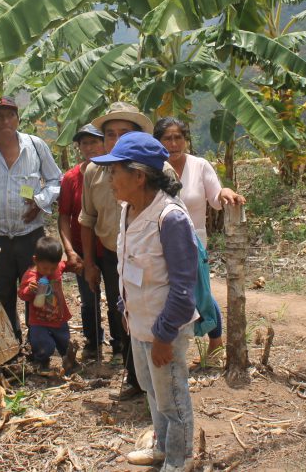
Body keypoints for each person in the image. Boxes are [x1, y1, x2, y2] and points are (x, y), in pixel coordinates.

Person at [90, 132, 198, 472]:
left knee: (173, 397)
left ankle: (180, 461)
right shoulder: (127, 210)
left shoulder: (171, 218)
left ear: (139, 176)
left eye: (115, 171)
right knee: (153, 391)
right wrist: (125, 311)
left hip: (164, 326)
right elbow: (127, 265)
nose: (109, 179)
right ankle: (163, 448)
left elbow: (183, 287)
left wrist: (164, 335)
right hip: (138, 322)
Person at [0, 97, 62, 342]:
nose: (5, 121)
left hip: (30, 234)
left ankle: (39, 341)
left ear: (18, 119)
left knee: (39, 289)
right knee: (3, 293)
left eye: (10, 115)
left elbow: (55, 180)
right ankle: (11, 341)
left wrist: (40, 201)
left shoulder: (36, 146)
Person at [79, 101, 154, 398]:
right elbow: (87, 219)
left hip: (151, 257)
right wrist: (88, 262)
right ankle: (135, 379)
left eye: (125, 132)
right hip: (113, 256)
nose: (116, 139)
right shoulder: (94, 172)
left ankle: (160, 379)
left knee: (154, 312)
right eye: (110, 134)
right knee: (123, 314)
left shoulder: (155, 170)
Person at [153, 116, 243, 360]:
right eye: (167, 139)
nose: (173, 144)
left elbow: (215, 198)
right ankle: (171, 344)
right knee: (168, 293)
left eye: (178, 138)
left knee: (199, 293)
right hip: (162, 242)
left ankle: (216, 342)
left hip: (195, 244)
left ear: (185, 139)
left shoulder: (199, 165)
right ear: (158, 142)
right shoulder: (155, 168)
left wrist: (225, 192)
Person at [58, 123, 106, 358]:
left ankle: (120, 344)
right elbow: (64, 215)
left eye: (95, 141)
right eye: (85, 143)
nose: (90, 147)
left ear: (104, 143)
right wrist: (70, 251)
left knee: (119, 297)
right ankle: (93, 342)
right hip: (82, 246)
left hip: (109, 246)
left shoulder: (114, 171)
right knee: (89, 298)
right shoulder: (71, 178)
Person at [17, 237, 74, 372]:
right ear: (35, 260)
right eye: (45, 268)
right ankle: (42, 361)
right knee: (43, 344)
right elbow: (22, 294)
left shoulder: (57, 269)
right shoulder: (31, 276)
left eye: (52, 268)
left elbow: (65, 265)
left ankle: (69, 361)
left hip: (58, 317)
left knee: (64, 342)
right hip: (39, 320)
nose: (49, 272)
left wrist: (75, 265)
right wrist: (29, 290)